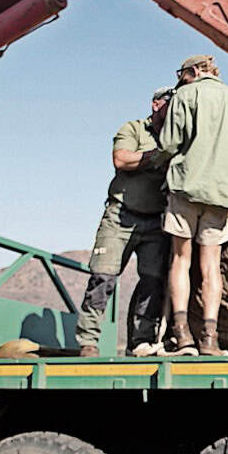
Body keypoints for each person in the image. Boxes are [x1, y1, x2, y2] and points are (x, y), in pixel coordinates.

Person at [160, 54, 228, 355]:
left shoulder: (185, 94)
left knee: (181, 260)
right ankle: (210, 338)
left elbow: (168, 143)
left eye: (181, 74)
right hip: (222, 194)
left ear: (193, 71)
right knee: (211, 267)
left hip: (186, 188)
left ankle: (181, 336)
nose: (179, 81)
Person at [76, 86, 175, 357]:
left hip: (156, 221)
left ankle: (140, 342)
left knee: (152, 282)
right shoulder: (134, 129)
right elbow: (121, 159)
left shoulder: (176, 135)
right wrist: (158, 156)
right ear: (156, 104)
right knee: (103, 277)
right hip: (121, 215)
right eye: (170, 104)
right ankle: (88, 341)